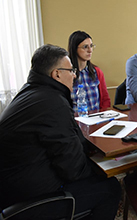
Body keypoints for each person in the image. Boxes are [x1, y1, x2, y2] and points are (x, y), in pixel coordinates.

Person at [0, 44, 121, 219]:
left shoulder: (31, 93)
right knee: (110, 187)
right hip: (28, 198)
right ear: (57, 74)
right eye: (70, 70)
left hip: (13, 184)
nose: (74, 75)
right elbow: (73, 169)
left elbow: (66, 139)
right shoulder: (52, 102)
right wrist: (100, 168)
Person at [68, 30, 111, 112]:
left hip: (96, 119)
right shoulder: (67, 73)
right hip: (75, 121)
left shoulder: (96, 72)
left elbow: (105, 99)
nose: (90, 50)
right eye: (85, 47)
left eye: (91, 46)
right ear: (74, 49)